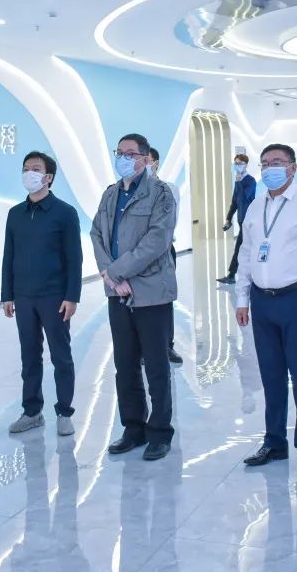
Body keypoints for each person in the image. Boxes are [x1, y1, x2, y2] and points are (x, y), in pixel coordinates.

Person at [234, 143, 297, 479]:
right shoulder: (255, 206)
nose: (270, 168)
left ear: (293, 167)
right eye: (265, 163)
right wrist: (242, 298)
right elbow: (247, 254)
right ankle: (274, 442)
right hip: (262, 302)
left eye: (277, 162)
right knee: (271, 377)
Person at [91, 133, 178, 461]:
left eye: (130, 153)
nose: (123, 159)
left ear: (145, 158)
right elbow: (96, 234)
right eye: (119, 153)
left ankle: (160, 432)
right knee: (124, 364)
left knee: (156, 365)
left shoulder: (160, 193)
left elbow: (157, 241)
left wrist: (117, 271)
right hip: (117, 292)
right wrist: (109, 274)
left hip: (151, 292)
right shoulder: (110, 194)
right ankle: (133, 427)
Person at [2, 151, 83, 437]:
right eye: (26, 168)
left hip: (54, 297)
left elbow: (74, 258)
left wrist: (72, 296)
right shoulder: (15, 214)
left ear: (48, 177)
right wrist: (7, 294)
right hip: (23, 296)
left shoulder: (64, 213)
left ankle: (64, 412)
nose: (29, 173)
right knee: (29, 355)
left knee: (61, 356)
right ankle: (32, 411)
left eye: (35, 169)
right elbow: (8, 256)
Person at [148, 147, 184, 365]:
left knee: (164, 299)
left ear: (155, 163)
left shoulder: (169, 189)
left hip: (163, 251)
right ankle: (143, 349)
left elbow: (171, 222)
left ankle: (166, 346)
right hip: (134, 255)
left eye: (146, 160)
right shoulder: (123, 191)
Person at [217, 154, 258, 285]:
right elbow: (235, 202)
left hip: (249, 221)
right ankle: (233, 276)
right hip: (241, 220)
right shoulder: (238, 181)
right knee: (241, 248)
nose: (237, 166)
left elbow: (245, 197)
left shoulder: (251, 181)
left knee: (242, 248)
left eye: (239, 163)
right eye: (235, 163)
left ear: (246, 165)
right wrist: (228, 219)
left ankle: (233, 275)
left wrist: (239, 182)